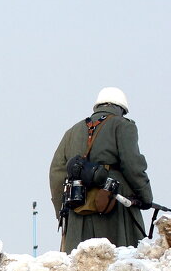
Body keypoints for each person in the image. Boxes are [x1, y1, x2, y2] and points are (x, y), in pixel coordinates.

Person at [50, 86, 153, 252]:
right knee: (120, 264)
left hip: (78, 210)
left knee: (80, 268)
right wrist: (145, 197)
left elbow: (56, 174)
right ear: (121, 108)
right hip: (114, 206)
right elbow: (133, 164)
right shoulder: (123, 125)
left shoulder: (71, 132)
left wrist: (63, 213)